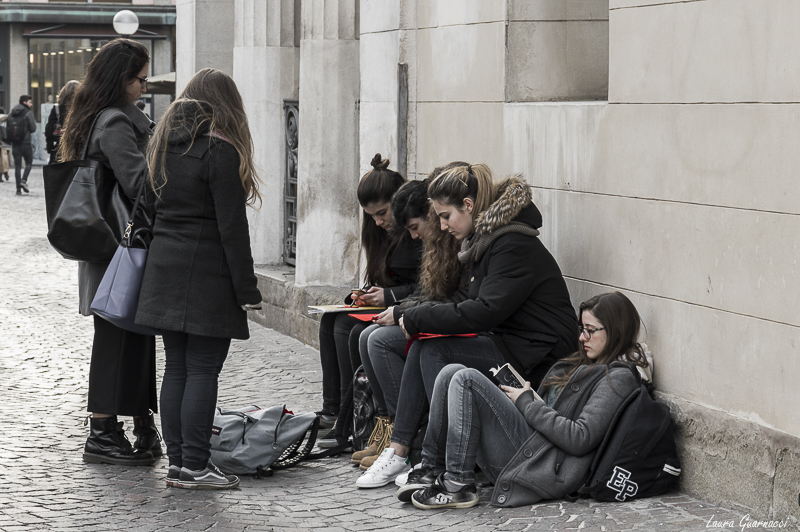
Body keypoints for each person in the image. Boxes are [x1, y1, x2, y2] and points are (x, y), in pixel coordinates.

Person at [360, 163, 579, 486]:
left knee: (434, 350)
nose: (442, 226)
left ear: (468, 205)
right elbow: (475, 306)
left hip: (538, 358)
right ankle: (402, 450)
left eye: (445, 216)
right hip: (513, 344)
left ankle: (437, 461)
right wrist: (418, 317)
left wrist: (417, 316)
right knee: (423, 346)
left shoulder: (511, 244)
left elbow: (484, 311)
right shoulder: (486, 240)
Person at [400, 292, 653, 509]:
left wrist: (527, 402)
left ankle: (458, 484)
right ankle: (431, 469)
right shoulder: (585, 362)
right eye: (581, 329)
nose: (582, 338)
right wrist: (522, 399)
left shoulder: (618, 378)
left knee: (466, 378)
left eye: (590, 330)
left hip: (543, 466)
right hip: (534, 446)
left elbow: (580, 438)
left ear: (616, 331)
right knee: (450, 372)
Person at [135, 68, 263, 490]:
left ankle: (179, 464)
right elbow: (232, 229)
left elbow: (145, 211)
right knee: (204, 369)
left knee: (177, 367)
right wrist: (247, 290)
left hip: (163, 268)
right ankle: (195, 464)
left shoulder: (162, 144)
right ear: (227, 105)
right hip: (206, 274)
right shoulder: (219, 150)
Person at [58, 39, 160, 467]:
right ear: (121, 79)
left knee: (133, 337)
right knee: (116, 339)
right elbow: (139, 184)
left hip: (113, 249)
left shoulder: (99, 115)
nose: (144, 87)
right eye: (140, 79)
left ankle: (140, 427)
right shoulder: (116, 122)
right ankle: (101, 433)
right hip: (120, 250)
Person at [351, 166, 468, 476]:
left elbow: (458, 301)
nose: (415, 235)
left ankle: (405, 438)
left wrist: (401, 310)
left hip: (460, 329)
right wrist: (401, 308)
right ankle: (386, 430)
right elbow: (429, 293)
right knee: (360, 335)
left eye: (416, 227)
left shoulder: (454, 240)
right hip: (441, 317)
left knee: (378, 340)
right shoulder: (440, 240)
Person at [315, 154, 422, 446]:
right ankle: (333, 410)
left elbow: (426, 286)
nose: (378, 221)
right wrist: (365, 294)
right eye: (371, 216)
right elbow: (383, 276)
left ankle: (355, 416)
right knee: (330, 321)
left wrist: (389, 295)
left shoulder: (416, 233)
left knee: (350, 331)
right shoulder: (378, 231)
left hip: (404, 308)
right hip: (391, 304)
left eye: (383, 213)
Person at [7, 95, 37, 195]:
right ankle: (23, 181)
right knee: (29, 162)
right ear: (25, 102)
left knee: (17, 166)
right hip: (25, 142)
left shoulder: (11, 113)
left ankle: (18, 190)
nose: (31, 104)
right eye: (30, 102)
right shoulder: (28, 113)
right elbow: (33, 128)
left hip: (15, 143)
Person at [45, 80, 79, 165]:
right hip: (78, 148)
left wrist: (50, 148)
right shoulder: (83, 108)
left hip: (60, 148)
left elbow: (49, 130)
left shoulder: (57, 108)